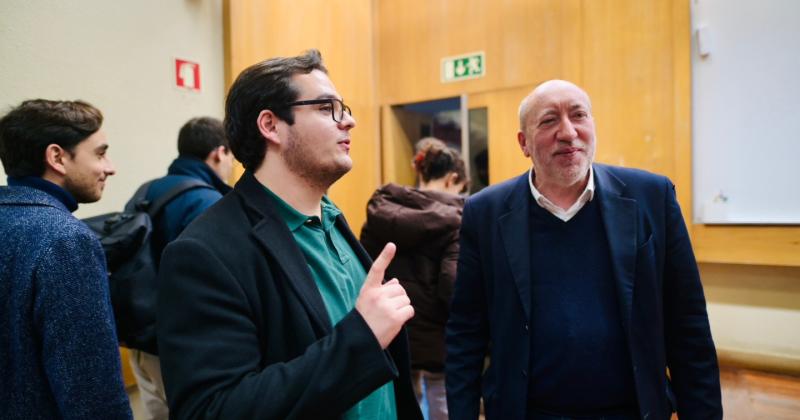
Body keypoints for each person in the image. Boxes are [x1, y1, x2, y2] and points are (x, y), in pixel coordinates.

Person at [156, 49, 422, 420]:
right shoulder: (204, 252)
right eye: (327, 108)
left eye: (343, 108)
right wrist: (360, 339)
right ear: (271, 125)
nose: (349, 121)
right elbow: (213, 409)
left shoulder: (331, 219)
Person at [445, 80, 722, 420]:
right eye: (549, 120)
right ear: (524, 143)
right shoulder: (485, 213)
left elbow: (688, 324)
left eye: (579, 115)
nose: (568, 132)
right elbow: (466, 333)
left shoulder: (652, 197)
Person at [0, 99, 132, 419]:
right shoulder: (67, 241)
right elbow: (92, 389)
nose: (110, 167)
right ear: (57, 157)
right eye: (99, 154)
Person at [127, 116, 233, 420]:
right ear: (219, 153)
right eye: (231, 156)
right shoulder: (208, 201)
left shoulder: (146, 191)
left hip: (140, 338)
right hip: (183, 347)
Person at [360, 138, 467, 420]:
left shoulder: (382, 211)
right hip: (437, 339)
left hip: (390, 331)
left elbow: (364, 269)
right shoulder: (457, 220)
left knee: (402, 403)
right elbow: (452, 287)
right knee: (442, 403)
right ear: (452, 179)